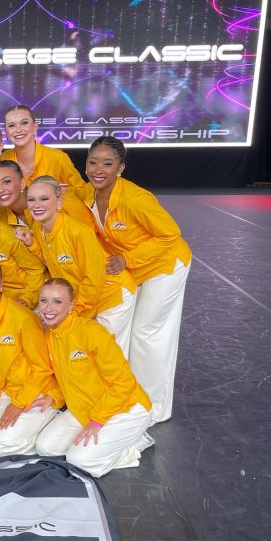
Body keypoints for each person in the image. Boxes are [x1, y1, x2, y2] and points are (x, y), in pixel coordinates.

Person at [78, 136, 191, 423]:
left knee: (148, 332)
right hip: (133, 269)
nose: (98, 169)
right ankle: (128, 397)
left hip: (165, 264)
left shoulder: (135, 198)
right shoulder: (87, 195)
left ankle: (153, 408)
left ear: (121, 168)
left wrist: (127, 259)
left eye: (107, 163)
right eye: (93, 162)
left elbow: (170, 234)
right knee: (130, 331)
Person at [35, 278, 154, 477]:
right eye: (43, 301)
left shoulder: (91, 332)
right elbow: (61, 375)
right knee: (45, 448)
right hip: (85, 408)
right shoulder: (50, 335)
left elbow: (124, 383)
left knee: (79, 462)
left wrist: (97, 421)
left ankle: (132, 446)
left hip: (124, 408)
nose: (49, 308)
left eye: (57, 301)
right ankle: (106, 445)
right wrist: (53, 396)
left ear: (71, 305)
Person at [25, 176, 138, 356]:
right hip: (84, 299)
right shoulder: (40, 230)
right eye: (31, 199)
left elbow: (94, 278)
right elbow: (53, 260)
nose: (36, 204)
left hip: (111, 294)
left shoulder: (77, 231)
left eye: (44, 199)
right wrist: (31, 243)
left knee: (108, 356)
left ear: (59, 201)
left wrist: (74, 309)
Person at [0, 259, 61, 456]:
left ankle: (50, 422)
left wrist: (20, 403)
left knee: (1, 446)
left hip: (36, 390)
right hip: (7, 388)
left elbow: (43, 369)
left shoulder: (23, 319)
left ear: (2, 284)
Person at [0, 105, 86, 189]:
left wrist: (61, 193)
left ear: (34, 127)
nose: (18, 130)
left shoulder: (57, 158)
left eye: (24, 123)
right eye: (11, 125)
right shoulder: (2, 160)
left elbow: (82, 192)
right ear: (6, 132)